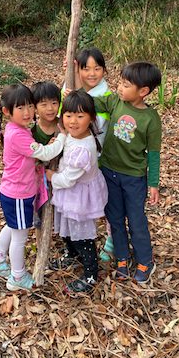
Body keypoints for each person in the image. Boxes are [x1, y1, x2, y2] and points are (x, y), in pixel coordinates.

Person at [0, 83, 66, 291]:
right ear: (7, 111)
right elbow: (45, 154)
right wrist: (62, 138)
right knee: (20, 237)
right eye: (20, 108)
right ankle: (17, 276)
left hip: (12, 191)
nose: (27, 112)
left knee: (12, 227)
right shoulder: (18, 135)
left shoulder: (17, 129)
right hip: (19, 194)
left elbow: (36, 155)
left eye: (30, 106)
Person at [94, 61, 162, 283]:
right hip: (109, 172)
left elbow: (153, 154)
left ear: (143, 91)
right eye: (120, 83)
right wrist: (71, 92)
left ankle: (145, 260)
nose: (119, 88)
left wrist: (153, 184)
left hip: (133, 178)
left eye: (125, 85)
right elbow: (91, 103)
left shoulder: (150, 119)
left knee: (135, 220)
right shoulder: (115, 101)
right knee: (114, 218)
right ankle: (122, 257)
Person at [46, 91, 108, 294]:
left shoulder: (84, 148)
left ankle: (91, 273)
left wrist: (51, 176)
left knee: (82, 235)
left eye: (80, 116)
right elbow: (64, 141)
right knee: (68, 226)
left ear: (91, 118)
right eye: (68, 115)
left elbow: (67, 179)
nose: (73, 121)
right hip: (71, 192)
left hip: (79, 195)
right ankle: (72, 254)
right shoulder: (72, 135)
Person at [65, 47, 114, 261]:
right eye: (86, 69)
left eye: (97, 68)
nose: (92, 74)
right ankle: (79, 240)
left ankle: (112, 240)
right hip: (77, 157)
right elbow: (65, 115)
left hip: (101, 157)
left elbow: (97, 125)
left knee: (108, 201)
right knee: (83, 200)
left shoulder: (106, 95)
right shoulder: (73, 88)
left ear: (104, 70)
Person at [30, 82, 62, 239]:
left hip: (62, 177)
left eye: (54, 103)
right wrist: (46, 150)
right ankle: (40, 244)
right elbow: (30, 159)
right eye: (43, 104)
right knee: (40, 215)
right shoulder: (32, 132)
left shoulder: (64, 125)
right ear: (35, 108)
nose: (50, 108)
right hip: (40, 182)